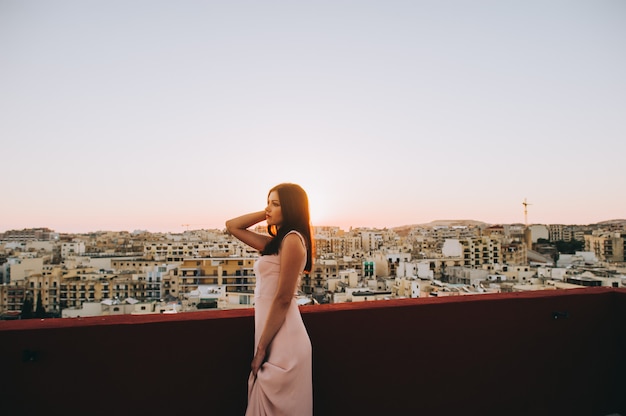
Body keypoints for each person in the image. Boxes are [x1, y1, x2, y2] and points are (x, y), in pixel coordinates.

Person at [226, 183, 314, 416]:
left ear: (291, 208)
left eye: (275, 204)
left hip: (285, 341)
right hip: (272, 336)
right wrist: (266, 213)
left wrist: (261, 349)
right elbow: (232, 226)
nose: (268, 209)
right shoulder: (275, 243)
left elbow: (284, 298)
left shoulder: (293, 240)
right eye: (268, 203)